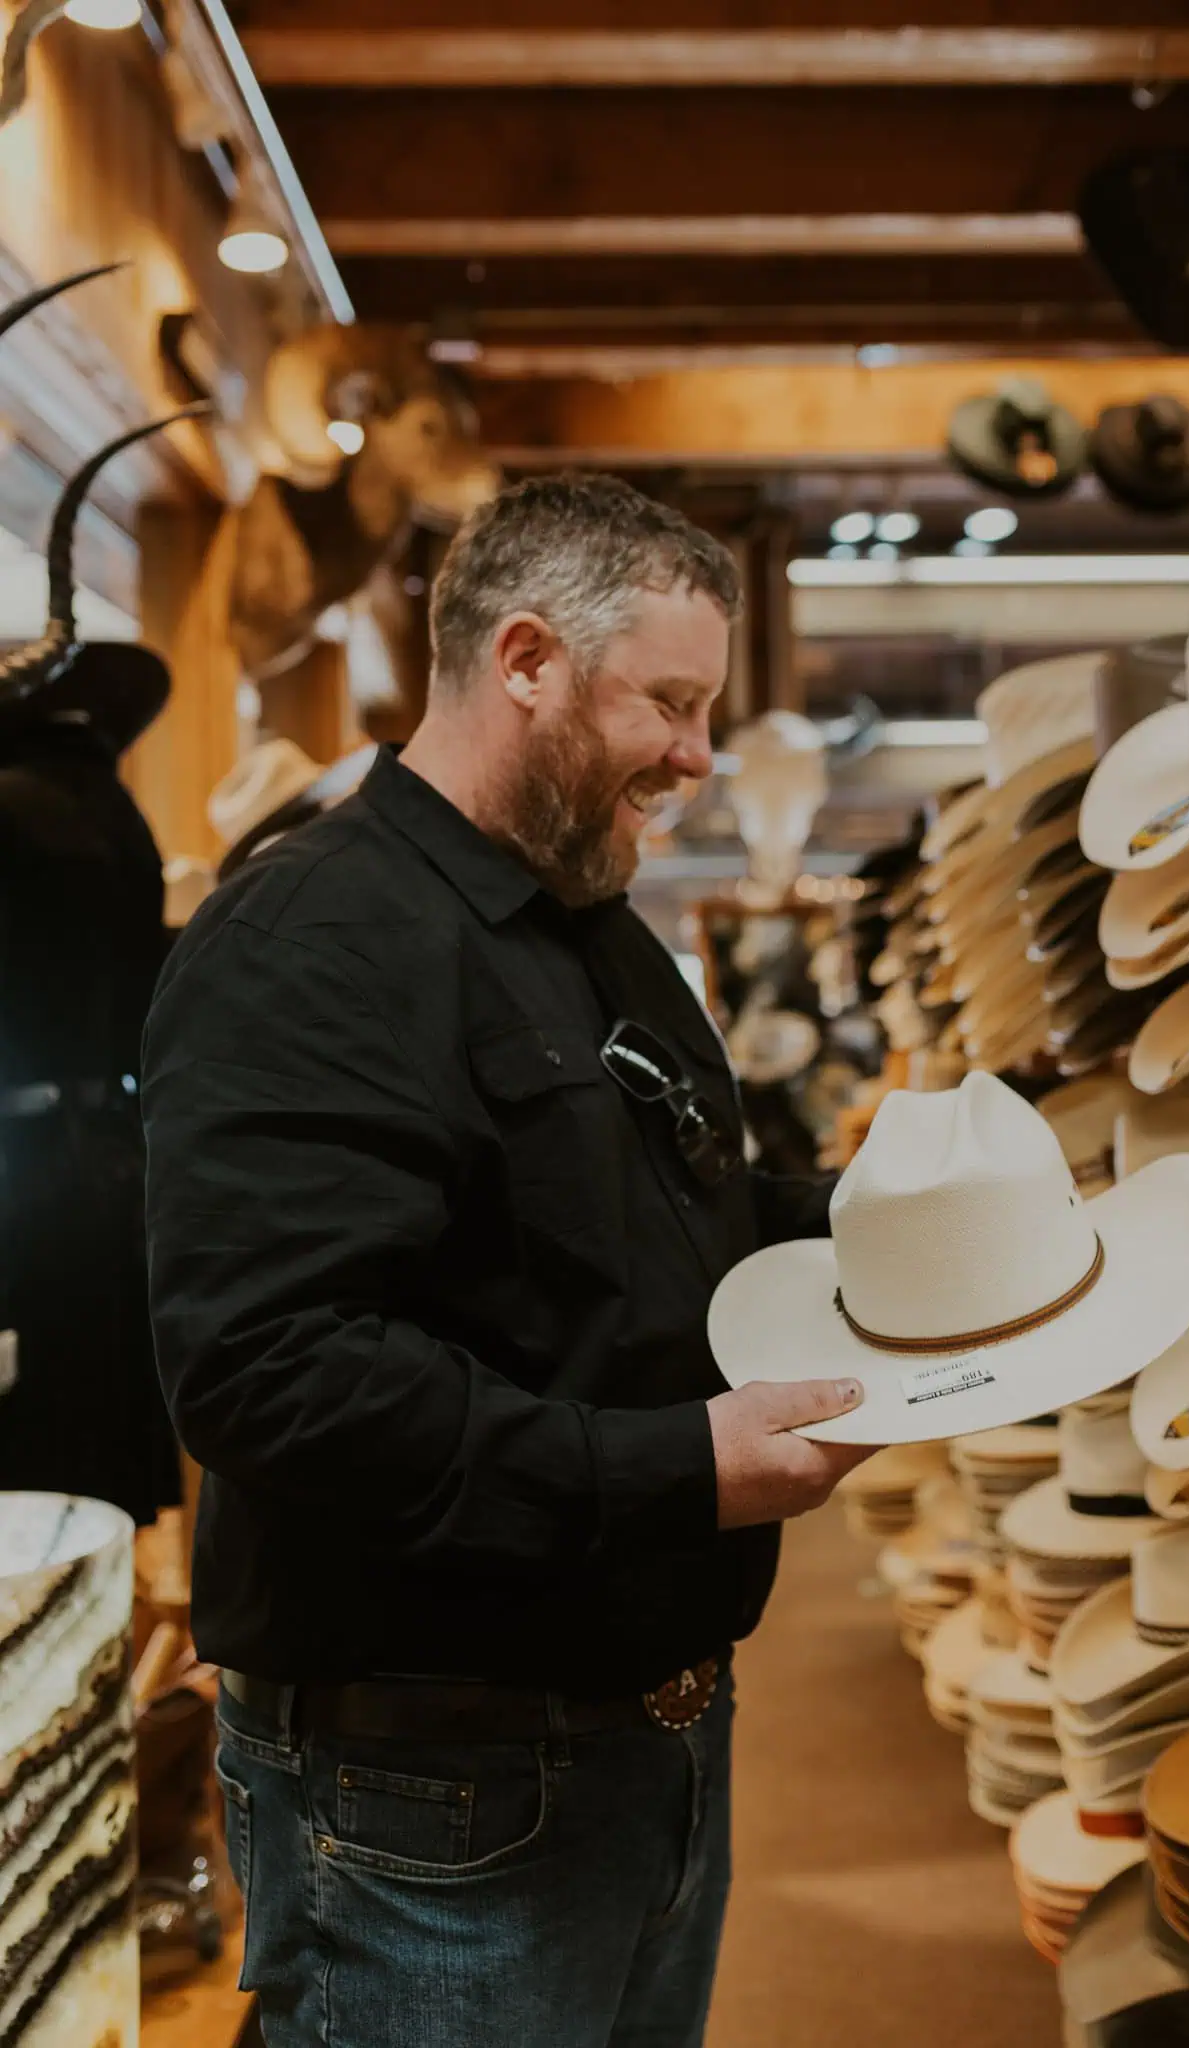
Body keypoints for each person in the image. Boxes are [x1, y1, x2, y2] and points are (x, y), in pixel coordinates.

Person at [142, 473, 872, 2048]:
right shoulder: (312, 943)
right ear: (527, 660)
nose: (695, 755)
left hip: (645, 1750)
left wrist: (883, 1227)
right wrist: (672, 1470)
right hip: (436, 1804)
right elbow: (273, 1374)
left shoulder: (586, 921)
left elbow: (646, 1226)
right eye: (669, 705)